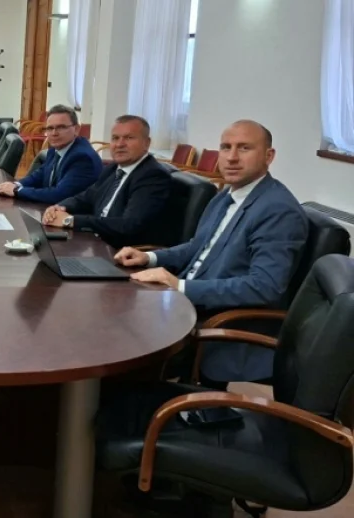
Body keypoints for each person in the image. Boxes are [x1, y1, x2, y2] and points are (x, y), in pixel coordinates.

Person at [114, 120, 308, 383]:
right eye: (225, 147)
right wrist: (150, 257)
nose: (231, 157)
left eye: (244, 148)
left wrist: (181, 287)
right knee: (113, 311)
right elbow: (198, 247)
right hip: (184, 305)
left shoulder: (278, 210)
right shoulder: (226, 196)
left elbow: (264, 286)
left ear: (268, 156)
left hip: (215, 323)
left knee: (120, 345)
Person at [41, 115, 173, 248]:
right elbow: (86, 197)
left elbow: (128, 225)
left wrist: (70, 220)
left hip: (121, 251)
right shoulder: (113, 168)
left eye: (129, 138)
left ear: (146, 143)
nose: (120, 144)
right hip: (95, 241)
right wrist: (60, 207)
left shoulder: (152, 176)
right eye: (115, 138)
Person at [0, 105, 101, 204]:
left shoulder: (82, 158)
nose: (54, 133)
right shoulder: (56, 148)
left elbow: (59, 195)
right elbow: (40, 175)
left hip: (72, 215)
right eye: (50, 128)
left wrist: (17, 190)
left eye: (61, 127)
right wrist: (16, 184)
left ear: (76, 129)